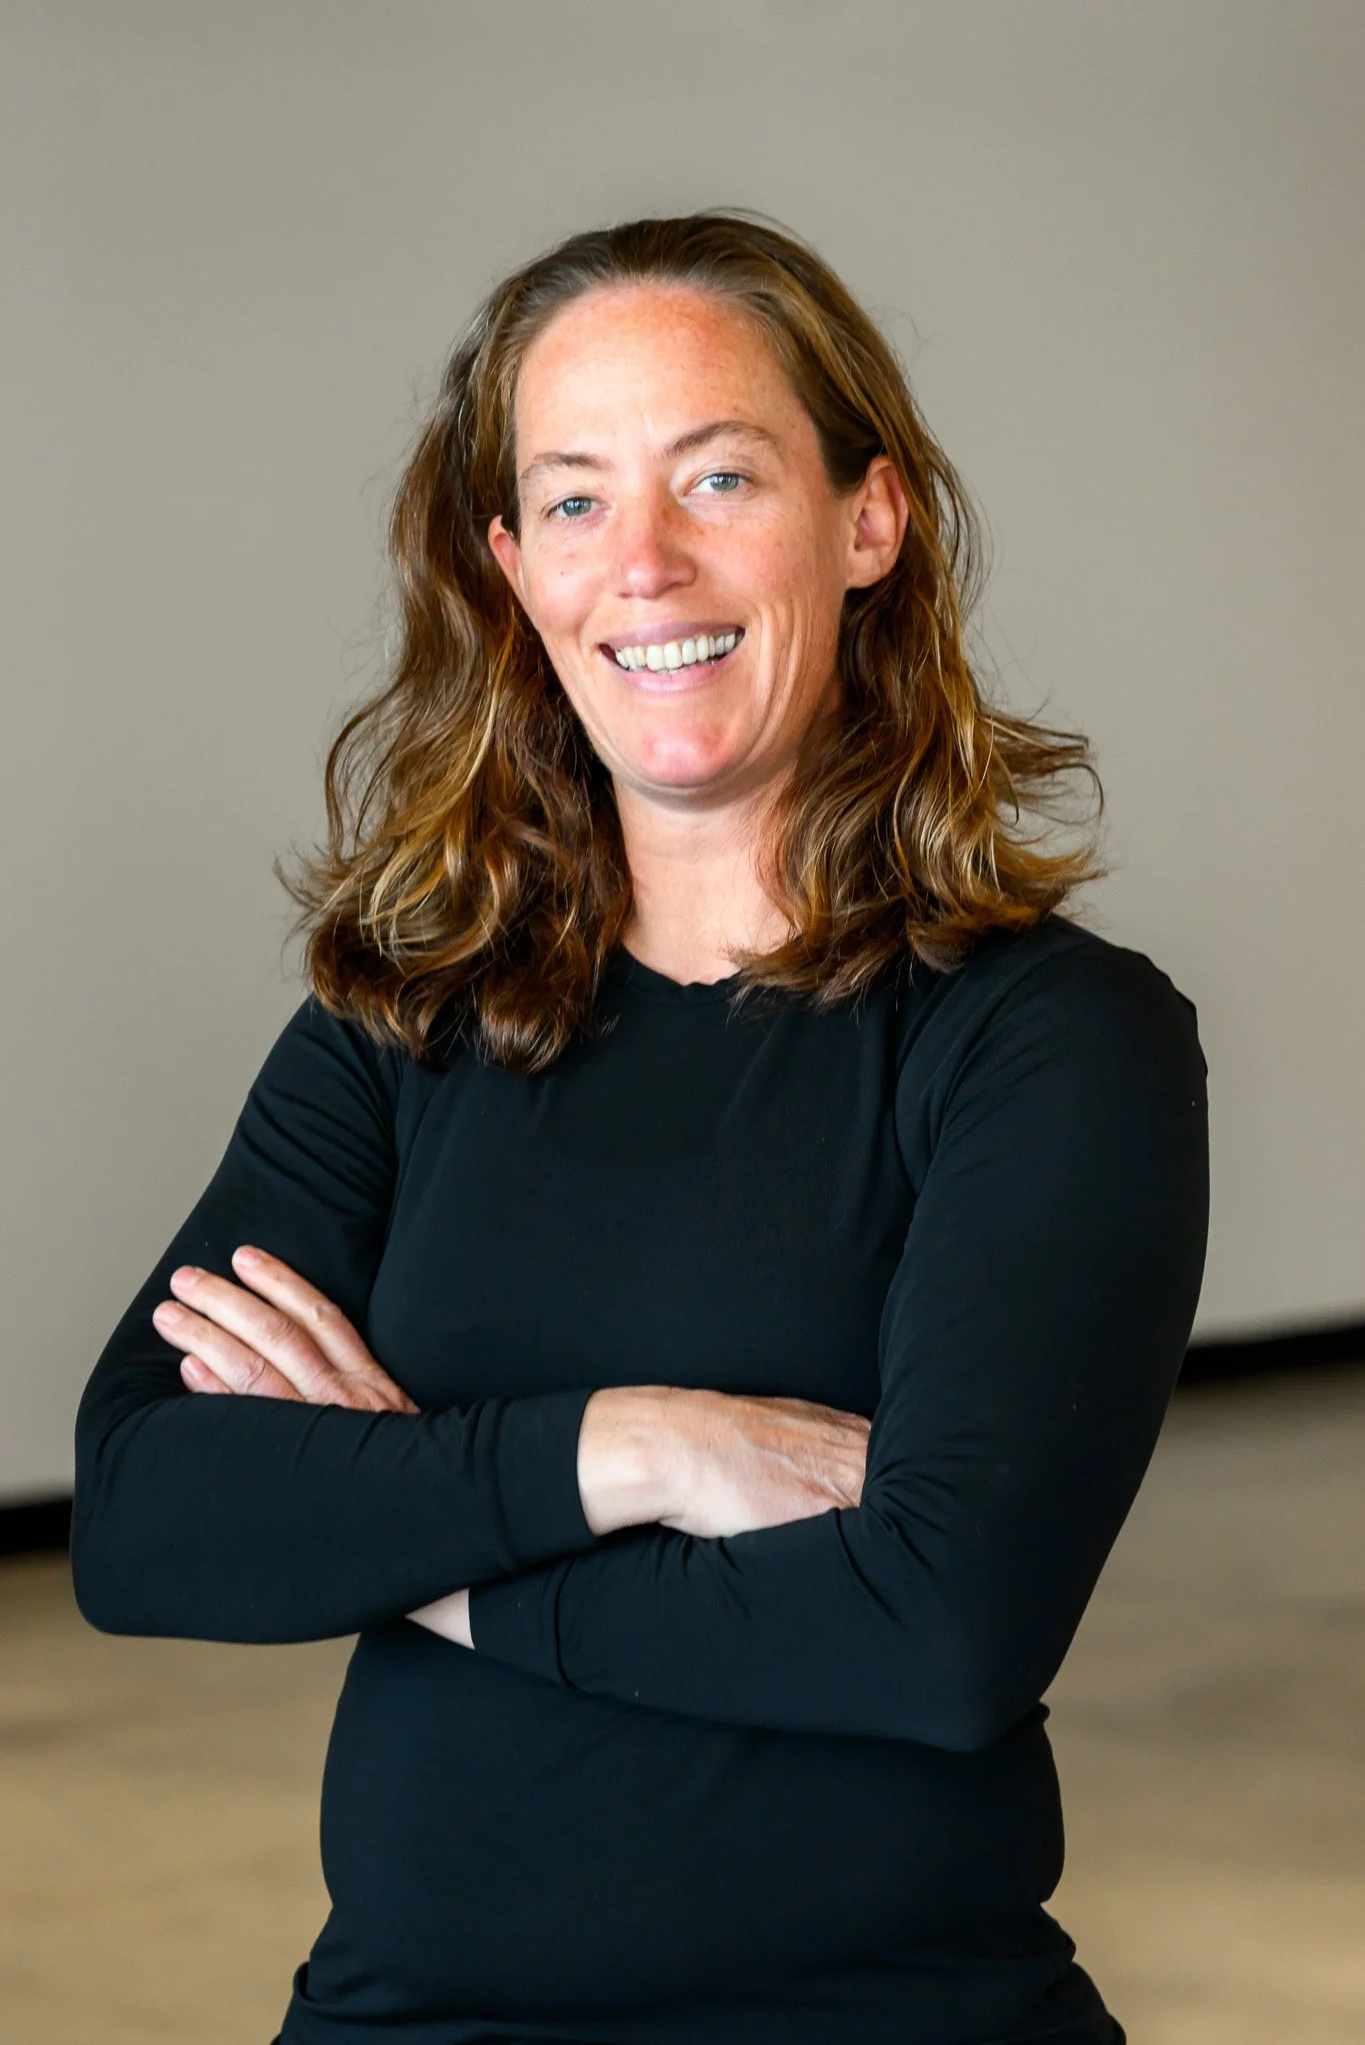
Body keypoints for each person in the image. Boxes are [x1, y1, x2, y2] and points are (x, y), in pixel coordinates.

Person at [71, 211, 1209, 2044]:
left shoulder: (1049, 1042)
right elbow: (138, 1520)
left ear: (868, 522)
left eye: (721, 476)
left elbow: (937, 1633)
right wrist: (637, 1449)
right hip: (398, 2017)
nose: (649, 565)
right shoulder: (404, 1020)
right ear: (514, 569)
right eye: (579, 500)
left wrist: (418, 1540)